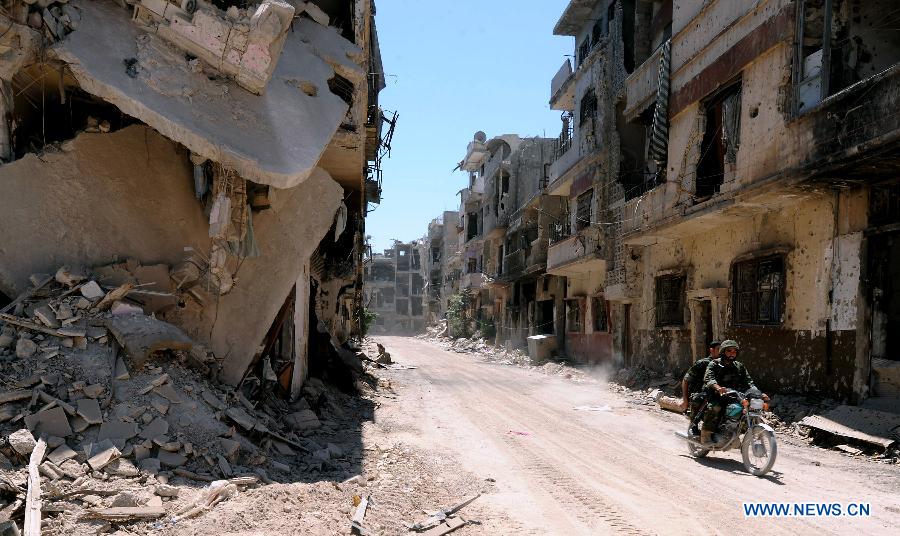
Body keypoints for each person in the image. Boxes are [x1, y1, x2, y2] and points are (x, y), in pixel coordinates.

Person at [700, 339, 769, 446]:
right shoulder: (714, 364)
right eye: (729, 351)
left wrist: (758, 393)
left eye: (734, 351)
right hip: (716, 395)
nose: (732, 353)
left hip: (734, 395)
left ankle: (733, 432)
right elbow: (709, 379)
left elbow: (749, 382)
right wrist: (718, 388)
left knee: (745, 410)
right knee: (715, 407)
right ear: (723, 352)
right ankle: (706, 435)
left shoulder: (739, 366)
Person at [680, 340, 721, 435]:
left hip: (716, 392)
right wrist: (685, 400)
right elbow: (686, 380)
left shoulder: (724, 364)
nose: (721, 352)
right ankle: (694, 423)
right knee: (702, 399)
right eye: (718, 349)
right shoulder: (703, 363)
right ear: (712, 350)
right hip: (700, 393)